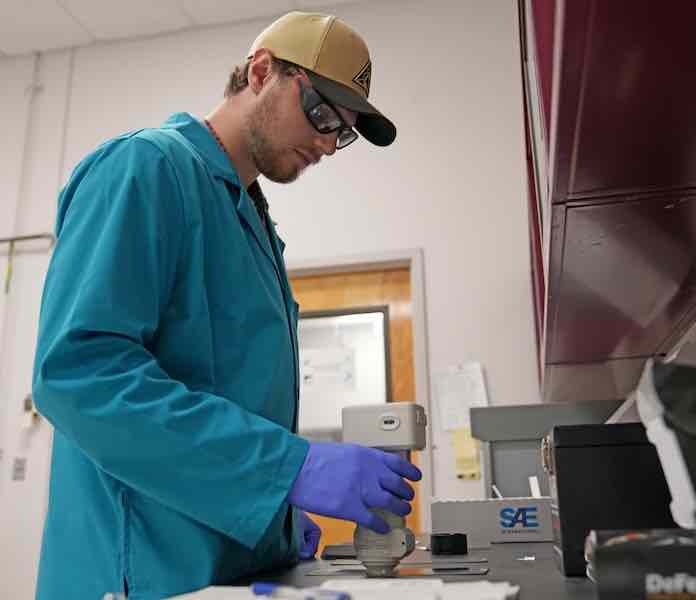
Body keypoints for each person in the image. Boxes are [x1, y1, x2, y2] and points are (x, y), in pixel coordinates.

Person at [32, 11, 420, 600]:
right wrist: (288, 469)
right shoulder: (146, 168)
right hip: (140, 578)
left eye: (342, 132)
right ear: (261, 71)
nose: (325, 142)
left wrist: (276, 518)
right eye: (320, 113)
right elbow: (80, 376)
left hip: (225, 572)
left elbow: (220, 396)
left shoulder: (254, 223)